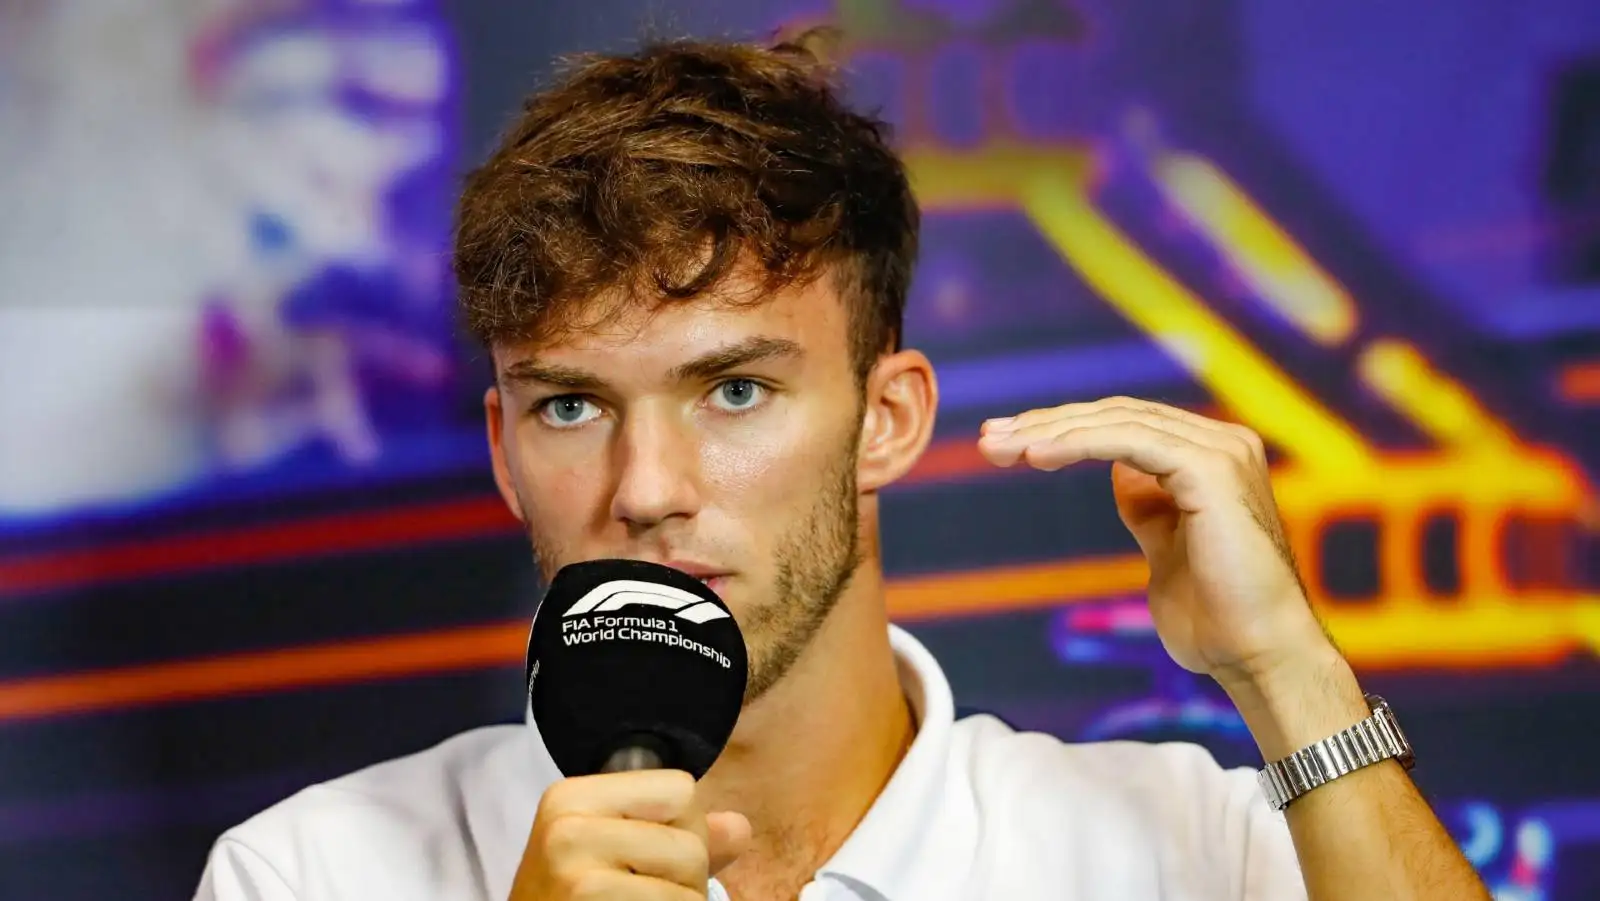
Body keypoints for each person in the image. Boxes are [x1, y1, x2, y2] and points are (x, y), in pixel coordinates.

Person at [194, 30, 1492, 901]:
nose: (647, 487)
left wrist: (1292, 675)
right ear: (505, 453)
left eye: (737, 390)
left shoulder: (1180, 845)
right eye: (575, 409)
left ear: (889, 421)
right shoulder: (313, 872)